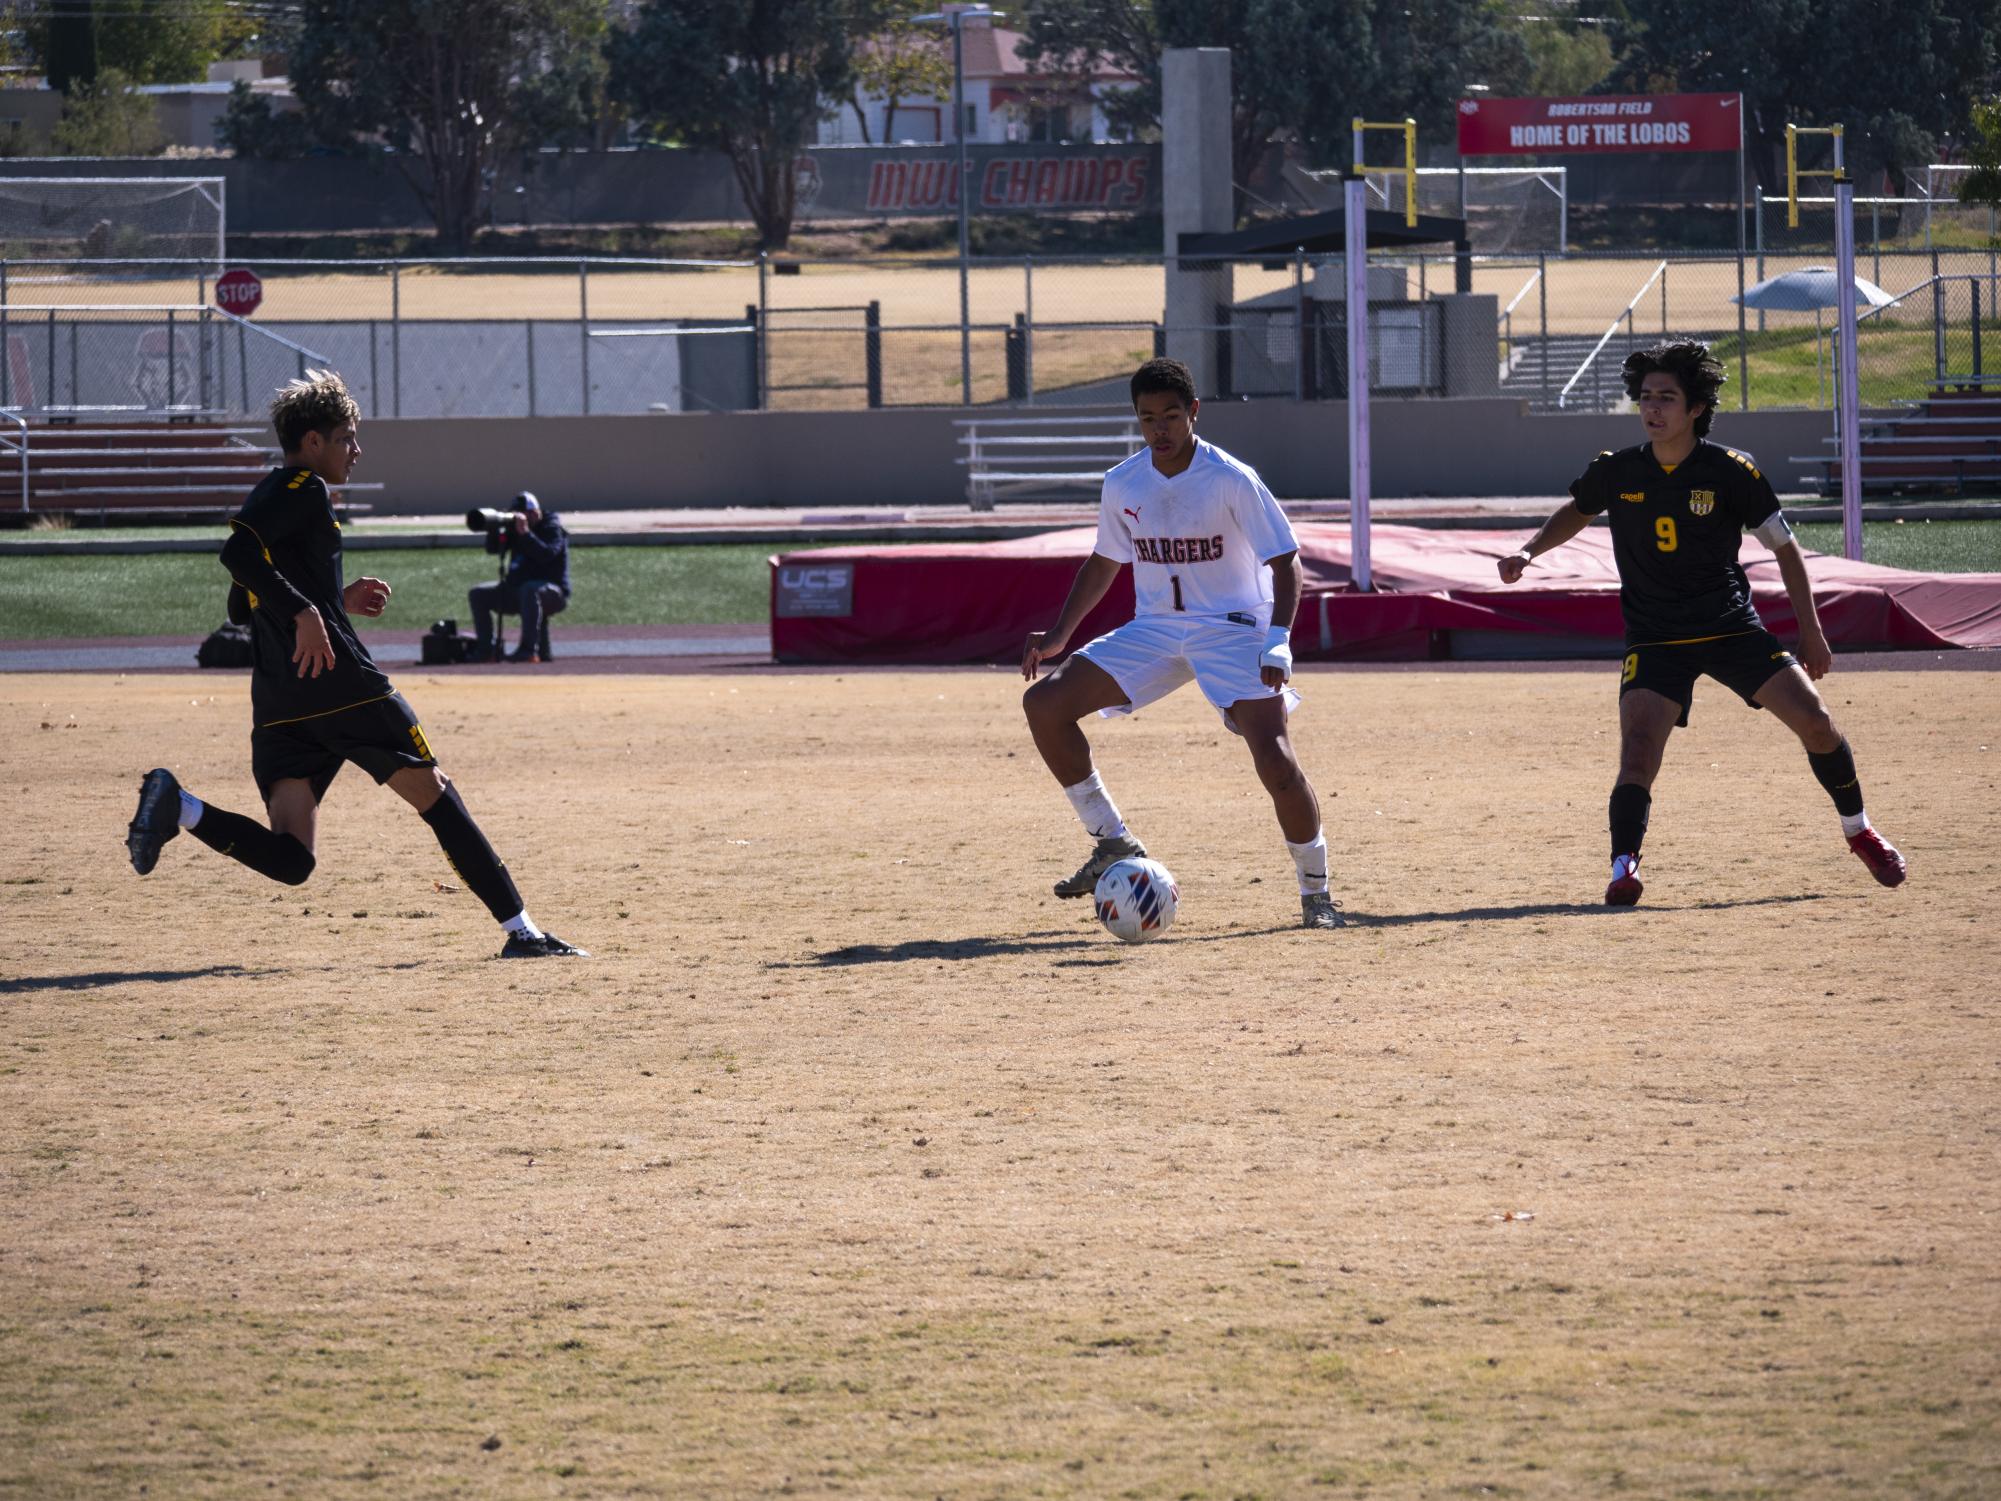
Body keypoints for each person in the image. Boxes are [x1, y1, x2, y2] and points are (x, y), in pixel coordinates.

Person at [124, 369, 585, 959]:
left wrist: (330, 604)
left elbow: (244, 598)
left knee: (292, 861)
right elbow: (236, 556)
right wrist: (308, 616)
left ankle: (180, 805)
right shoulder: (302, 489)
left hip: (281, 706)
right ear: (312, 442)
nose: (356, 450)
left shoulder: (277, 499)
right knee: (438, 795)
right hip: (344, 688)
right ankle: (523, 932)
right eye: (346, 437)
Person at [1497, 338, 1907, 906]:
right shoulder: (1616, 469)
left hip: (1731, 629)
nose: (1653, 409)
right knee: (1638, 751)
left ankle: (1859, 830)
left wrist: (1810, 630)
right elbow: (1579, 509)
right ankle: (1623, 867)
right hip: (1656, 637)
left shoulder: (1731, 472)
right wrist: (1530, 550)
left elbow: (1785, 550)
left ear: (1695, 409)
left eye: (1667, 397)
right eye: (1645, 397)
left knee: (1816, 721)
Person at [1021, 357, 1340, 930]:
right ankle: (1113, 843)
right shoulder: (1124, 481)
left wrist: (1279, 639)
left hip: (1233, 626)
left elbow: (1286, 560)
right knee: (1044, 703)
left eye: (1171, 415)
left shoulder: (1230, 477)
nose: (1160, 430)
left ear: (1193, 412)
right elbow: (1103, 561)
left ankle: (1316, 896)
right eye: (1148, 419)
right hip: (1157, 628)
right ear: (1137, 421)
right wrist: (1061, 636)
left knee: (1276, 761)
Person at [469, 491, 571, 664]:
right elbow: (493, 550)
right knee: (478, 594)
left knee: (529, 590)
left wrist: (525, 533)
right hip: (518, 590)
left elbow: (546, 554)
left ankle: (528, 650)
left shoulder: (552, 528)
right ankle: (487, 649)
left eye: (522, 515)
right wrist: (495, 529)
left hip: (553, 593)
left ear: (534, 513)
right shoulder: (514, 529)